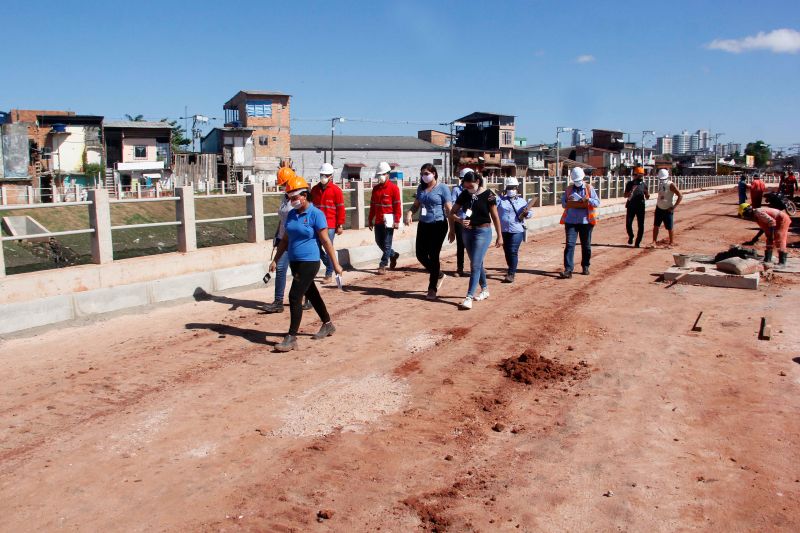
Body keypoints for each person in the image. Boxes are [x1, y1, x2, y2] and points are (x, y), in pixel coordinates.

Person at [269, 176, 343, 352]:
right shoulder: (292, 215)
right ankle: (328, 324)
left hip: (309, 262)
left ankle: (291, 337)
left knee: (295, 296)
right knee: (313, 294)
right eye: (290, 198)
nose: (292, 201)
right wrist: (275, 259)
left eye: (295, 197)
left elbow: (326, 242)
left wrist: (336, 265)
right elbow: (285, 240)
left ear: (305, 195)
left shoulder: (316, 214)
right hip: (295, 261)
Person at [448, 170, 503, 309]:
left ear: (477, 182)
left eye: (470, 186)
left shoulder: (488, 195)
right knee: (476, 263)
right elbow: (451, 213)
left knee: (474, 265)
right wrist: (459, 221)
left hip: (483, 232)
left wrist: (500, 236)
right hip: (467, 232)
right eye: (465, 186)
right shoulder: (465, 194)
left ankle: (469, 297)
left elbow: (495, 217)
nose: (467, 188)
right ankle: (485, 290)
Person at [405, 163, 452, 299]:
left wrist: (453, 229)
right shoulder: (421, 188)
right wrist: (409, 213)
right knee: (420, 254)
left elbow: (449, 209)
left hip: (438, 225)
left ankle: (432, 288)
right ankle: (438, 273)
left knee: (433, 254)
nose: (424, 176)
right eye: (422, 174)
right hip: (424, 224)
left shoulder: (443, 188)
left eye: (426, 173)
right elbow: (416, 205)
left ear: (434, 173)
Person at [263, 165, 296, 314]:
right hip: (283, 240)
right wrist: (277, 236)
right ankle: (278, 302)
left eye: (284, 184)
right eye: (282, 185)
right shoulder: (284, 199)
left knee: (299, 272)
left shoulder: (299, 200)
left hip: (295, 241)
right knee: (280, 268)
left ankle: (308, 298)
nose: (283, 187)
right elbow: (282, 220)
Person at [559, 167, 600, 278]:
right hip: (571, 221)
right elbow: (563, 203)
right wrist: (569, 200)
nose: (577, 182)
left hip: (586, 222)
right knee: (570, 245)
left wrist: (588, 200)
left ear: (582, 178)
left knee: (586, 246)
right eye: (575, 180)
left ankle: (585, 266)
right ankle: (568, 270)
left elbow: (597, 202)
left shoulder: (589, 188)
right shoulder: (568, 189)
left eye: (579, 180)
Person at [310, 163, 346, 283]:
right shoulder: (314, 190)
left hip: (330, 224)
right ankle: (330, 264)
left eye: (326, 175)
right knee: (316, 247)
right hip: (316, 224)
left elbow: (340, 208)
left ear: (331, 176)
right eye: (322, 174)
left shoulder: (336, 191)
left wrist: (340, 225)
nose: (323, 177)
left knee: (328, 246)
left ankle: (329, 273)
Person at [495, 177, 532, 283]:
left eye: (513, 188)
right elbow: (493, 207)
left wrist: (527, 213)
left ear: (517, 188)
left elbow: (530, 213)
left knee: (513, 251)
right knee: (507, 251)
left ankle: (511, 273)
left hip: (517, 230)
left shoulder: (521, 201)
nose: (511, 190)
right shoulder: (500, 200)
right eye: (509, 188)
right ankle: (511, 268)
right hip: (504, 230)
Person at [368, 161, 402, 274]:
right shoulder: (376, 189)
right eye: (379, 174)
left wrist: (397, 220)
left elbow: (397, 206)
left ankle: (383, 265)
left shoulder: (394, 189)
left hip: (389, 220)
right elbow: (372, 205)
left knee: (387, 243)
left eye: (383, 174)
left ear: (388, 174)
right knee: (379, 241)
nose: (381, 176)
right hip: (378, 220)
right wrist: (370, 219)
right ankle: (393, 255)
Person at [650, 169, 683, 247]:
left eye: (663, 179)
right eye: (661, 179)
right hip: (659, 208)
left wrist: (674, 207)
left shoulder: (671, 184)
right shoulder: (660, 184)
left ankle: (671, 242)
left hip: (668, 209)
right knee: (656, 225)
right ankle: (654, 241)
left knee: (670, 227)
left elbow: (680, 196)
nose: (661, 180)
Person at [451, 169, 471, 276]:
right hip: (460, 220)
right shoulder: (456, 190)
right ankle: (460, 268)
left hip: (471, 220)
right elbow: (454, 204)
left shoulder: (474, 190)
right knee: (460, 245)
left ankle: (478, 267)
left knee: (474, 245)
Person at [624, 167, 650, 247]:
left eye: (641, 176)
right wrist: (631, 191)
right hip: (631, 206)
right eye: (637, 175)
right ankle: (631, 236)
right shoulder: (629, 184)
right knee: (628, 224)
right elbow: (625, 195)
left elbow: (647, 196)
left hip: (640, 207)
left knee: (641, 225)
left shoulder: (644, 184)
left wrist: (647, 195)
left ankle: (638, 242)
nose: (639, 177)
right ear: (634, 175)